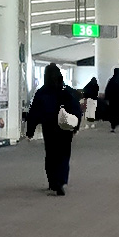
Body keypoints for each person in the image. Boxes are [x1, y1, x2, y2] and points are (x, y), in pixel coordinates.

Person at [26, 64, 82, 196]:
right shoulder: (67, 90)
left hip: (49, 127)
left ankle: (52, 181)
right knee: (64, 154)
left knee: (51, 154)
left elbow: (34, 112)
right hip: (65, 128)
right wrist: (76, 126)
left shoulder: (42, 92)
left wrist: (30, 131)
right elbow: (76, 110)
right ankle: (61, 181)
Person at [104, 68, 119, 133]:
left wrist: (107, 98)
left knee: (113, 113)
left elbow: (108, 90)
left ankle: (113, 127)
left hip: (113, 101)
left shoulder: (112, 80)